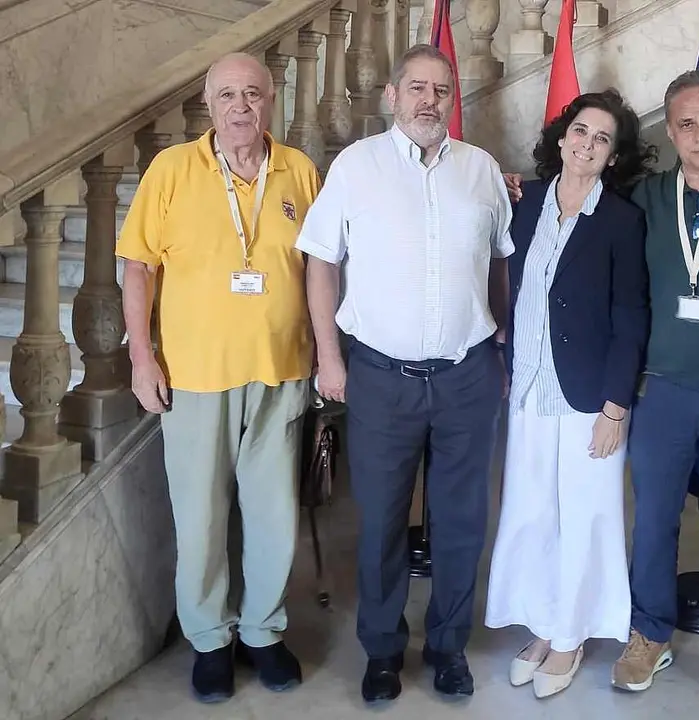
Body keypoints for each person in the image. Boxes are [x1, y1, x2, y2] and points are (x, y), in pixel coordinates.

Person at [505, 69, 699, 711]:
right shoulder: (647, 198)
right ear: (670, 131)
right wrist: (516, 186)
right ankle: (649, 633)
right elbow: (587, 217)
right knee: (652, 522)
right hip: (662, 392)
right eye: (685, 123)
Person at [296, 44, 513, 704]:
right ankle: (383, 651)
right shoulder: (354, 167)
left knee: (460, 520)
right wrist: (329, 357)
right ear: (391, 97)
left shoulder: (480, 171)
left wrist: (497, 340)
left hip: (465, 378)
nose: (428, 100)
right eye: (416, 88)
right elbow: (320, 263)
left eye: (441, 90)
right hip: (380, 380)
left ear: (454, 101)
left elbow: (499, 261)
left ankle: (448, 648)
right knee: (383, 521)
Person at [117, 52, 320, 703]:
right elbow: (137, 268)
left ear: (270, 101)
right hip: (194, 376)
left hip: (280, 370)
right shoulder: (171, 170)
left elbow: (320, 267)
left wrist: (324, 352)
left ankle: (262, 631)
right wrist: (142, 359)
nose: (241, 106)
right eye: (228, 95)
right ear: (209, 105)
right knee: (200, 515)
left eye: (253, 94)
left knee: (272, 514)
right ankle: (209, 638)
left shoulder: (300, 171)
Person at [483, 89, 654, 699]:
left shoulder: (621, 220)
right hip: (528, 382)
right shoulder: (525, 203)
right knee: (531, 508)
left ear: (613, 156)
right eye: (580, 131)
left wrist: (617, 405)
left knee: (586, 513)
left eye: (602, 139)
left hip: (590, 396)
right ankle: (542, 622)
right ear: (562, 137)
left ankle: (574, 631)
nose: (587, 145)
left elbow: (632, 316)